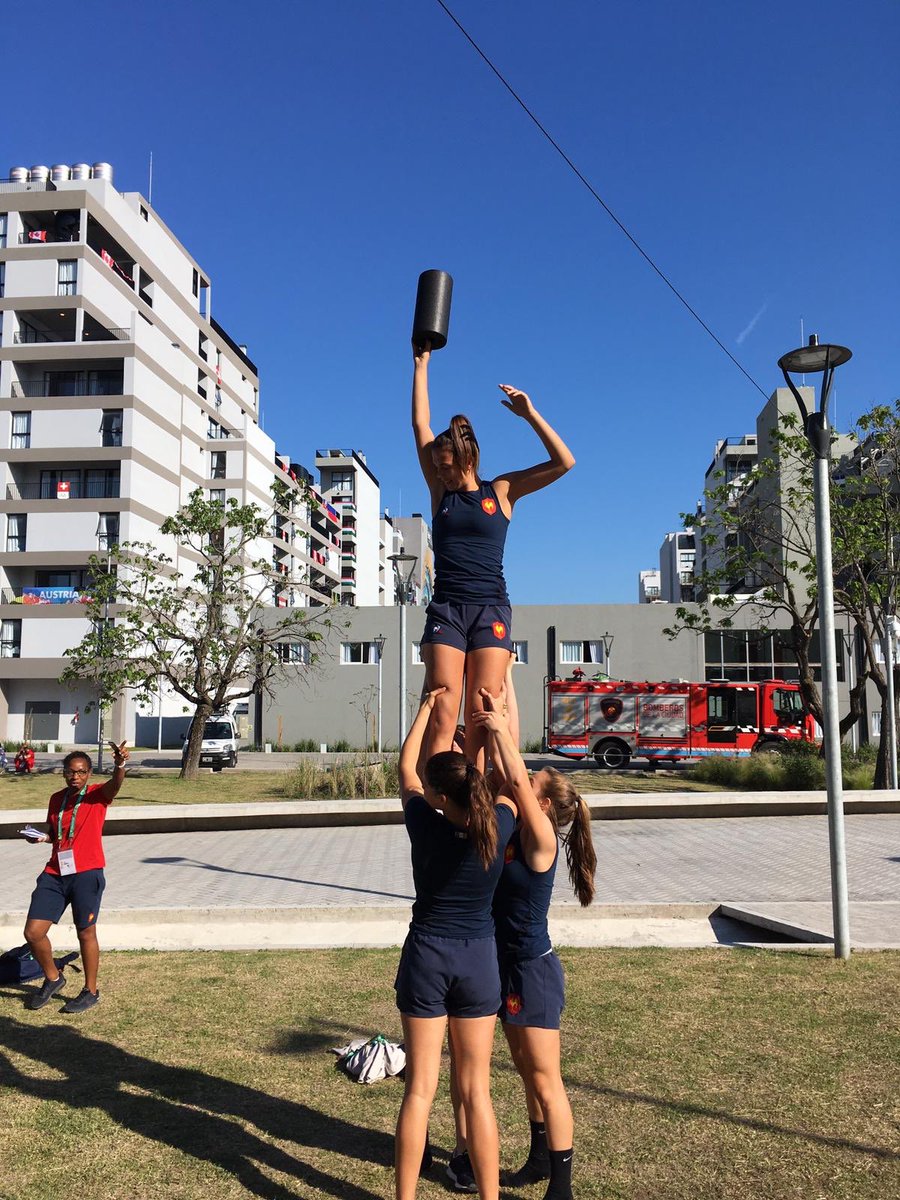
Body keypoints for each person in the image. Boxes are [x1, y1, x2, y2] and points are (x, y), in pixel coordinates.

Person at [411, 340, 575, 768]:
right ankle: (438, 803)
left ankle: (477, 804)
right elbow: (420, 424)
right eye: (437, 466)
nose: (439, 471)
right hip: (447, 609)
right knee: (443, 708)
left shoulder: (500, 491)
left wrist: (530, 414)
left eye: (445, 465)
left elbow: (564, 462)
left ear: (467, 460)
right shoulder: (438, 491)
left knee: (482, 715)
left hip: (490, 610)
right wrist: (421, 365)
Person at [470, 690, 597, 1200]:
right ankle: (538, 1159)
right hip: (506, 966)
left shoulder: (542, 838)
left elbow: (516, 772)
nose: (523, 782)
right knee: (525, 1070)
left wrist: (498, 725)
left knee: (546, 1078)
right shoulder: (518, 828)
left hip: (533, 971)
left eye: (533, 785)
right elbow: (508, 768)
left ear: (542, 803)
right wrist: (507, 692)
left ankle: (561, 1189)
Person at [394, 688, 516, 1200]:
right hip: (477, 962)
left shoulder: (427, 825)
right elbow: (511, 785)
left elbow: (405, 770)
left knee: (420, 1089)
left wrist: (426, 709)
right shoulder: (500, 826)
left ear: (441, 799)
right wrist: (496, 726)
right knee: (477, 1092)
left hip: (427, 956)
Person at [22, 741, 130, 1013]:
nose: (75, 776)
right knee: (33, 933)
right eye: (71, 771)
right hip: (55, 873)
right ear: (64, 773)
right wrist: (42, 837)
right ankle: (53, 978)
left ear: (89, 773)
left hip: (86, 873)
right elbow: (56, 834)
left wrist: (120, 765)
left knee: (86, 932)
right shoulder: (57, 799)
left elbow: (115, 786)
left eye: (81, 772)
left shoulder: (96, 795)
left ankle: (90, 991)